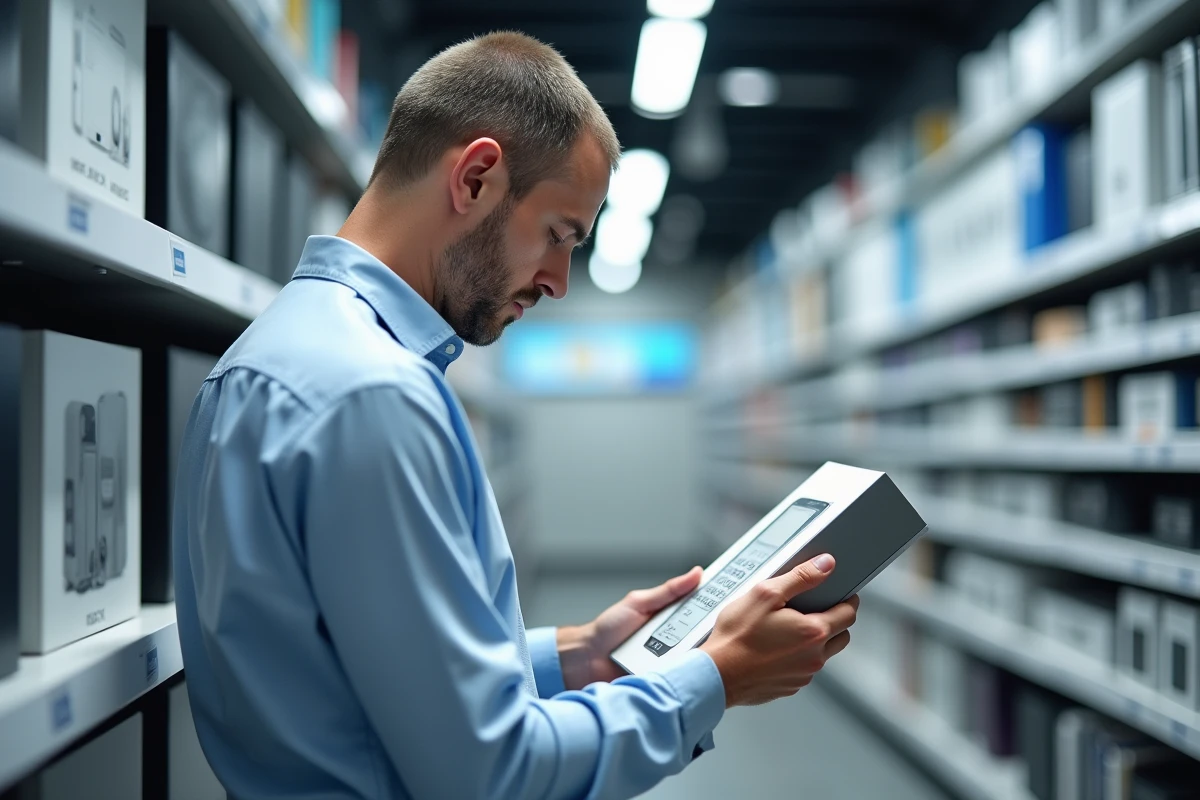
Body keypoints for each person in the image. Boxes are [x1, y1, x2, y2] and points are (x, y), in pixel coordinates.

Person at [173, 31, 858, 800]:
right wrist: (713, 677)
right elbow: (491, 775)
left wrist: (576, 657)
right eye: (560, 236)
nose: (560, 282)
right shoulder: (375, 396)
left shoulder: (265, 359)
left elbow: (350, 683)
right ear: (476, 178)